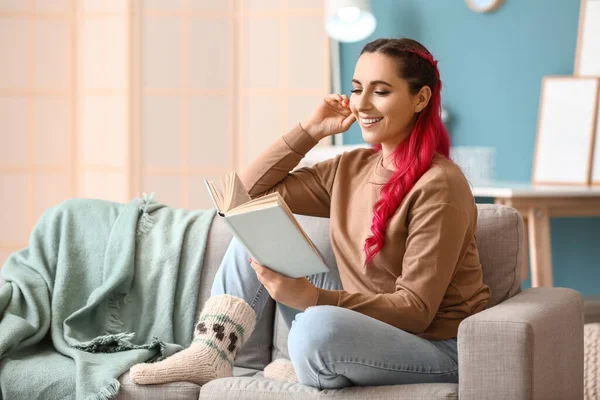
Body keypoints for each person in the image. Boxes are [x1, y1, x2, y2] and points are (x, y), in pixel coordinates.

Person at [129, 37, 491, 390]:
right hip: (361, 325)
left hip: (433, 347)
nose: (362, 104)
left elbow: (416, 310)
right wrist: (310, 131)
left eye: (380, 92)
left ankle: (306, 365)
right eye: (356, 89)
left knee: (315, 329)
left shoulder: (439, 185)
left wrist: (312, 299)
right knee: (256, 229)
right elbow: (241, 199)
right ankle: (211, 352)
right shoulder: (351, 168)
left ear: (420, 98)